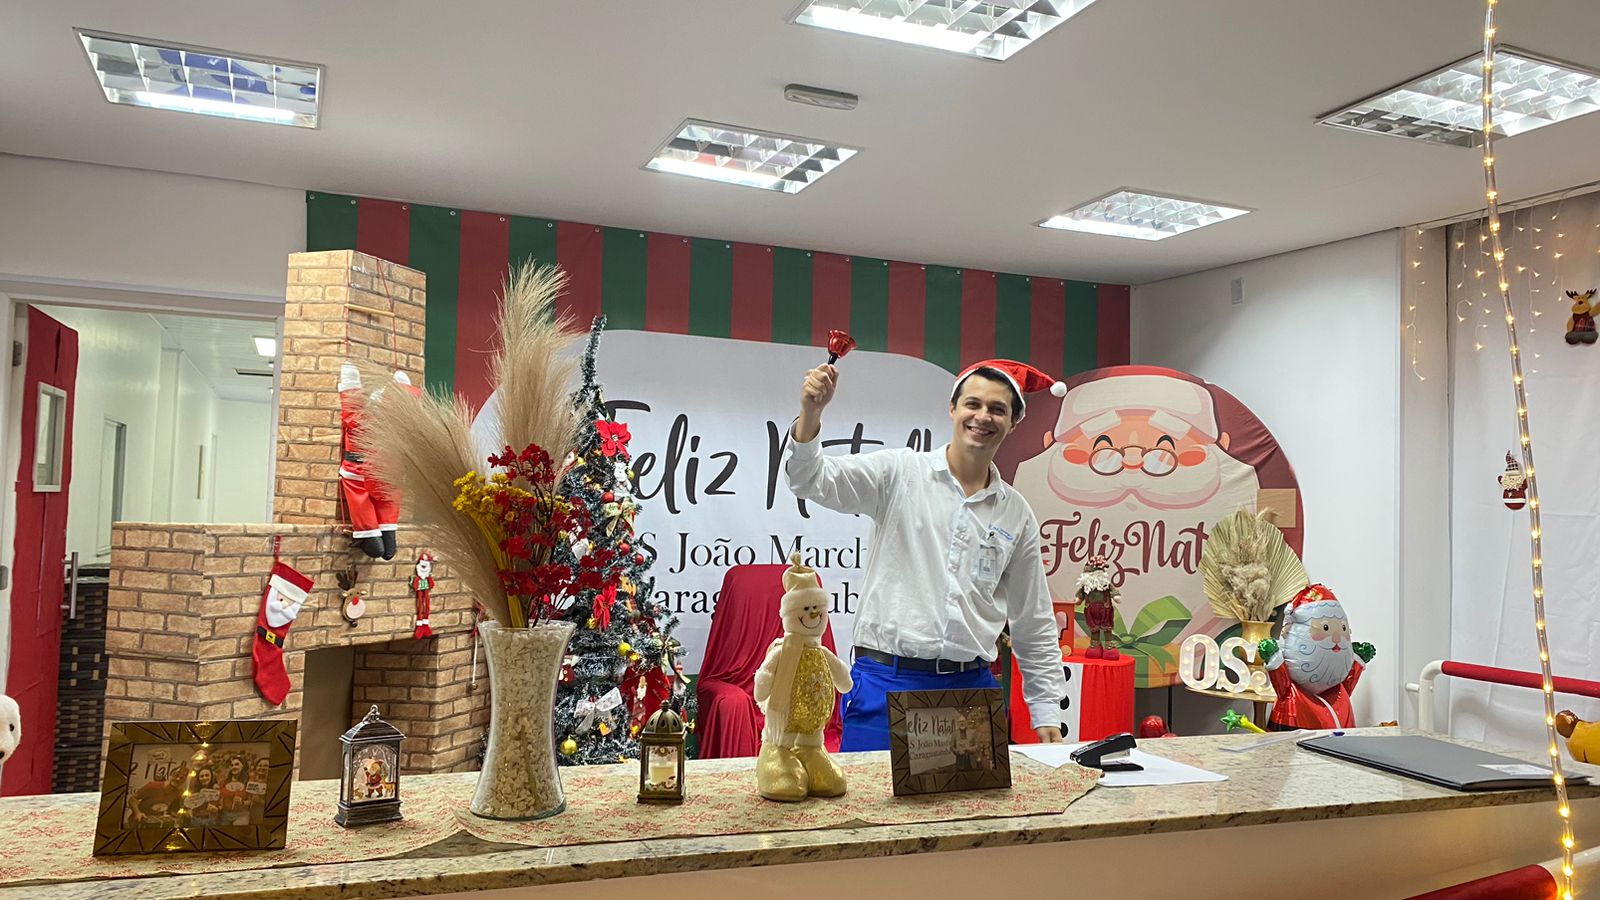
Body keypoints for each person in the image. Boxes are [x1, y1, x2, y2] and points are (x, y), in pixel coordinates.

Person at [786, 357, 1069, 750]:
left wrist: (1046, 709)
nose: (982, 417)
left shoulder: (1015, 512)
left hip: (970, 690)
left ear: (1013, 423)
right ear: (952, 408)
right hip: (886, 684)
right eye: (973, 404)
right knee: (870, 793)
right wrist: (810, 414)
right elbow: (809, 479)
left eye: (997, 409)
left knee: (970, 796)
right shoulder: (899, 473)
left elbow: (1032, 620)